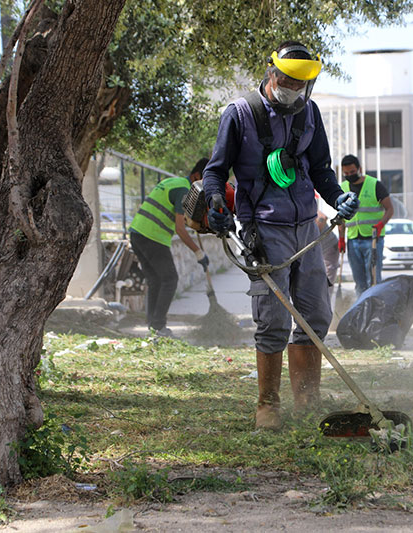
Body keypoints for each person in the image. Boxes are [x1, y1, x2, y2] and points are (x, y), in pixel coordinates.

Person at [203, 41, 359, 430]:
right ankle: (267, 405)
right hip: (263, 230)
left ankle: (307, 400)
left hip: (307, 228)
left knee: (316, 315)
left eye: (301, 85)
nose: (293, 90)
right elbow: (215, 171)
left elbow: (321, 169)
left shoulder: (310, 113)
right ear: (271, 73)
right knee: (273, 319)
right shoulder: (240, 115)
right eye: (287, 82)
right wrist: (215, 203)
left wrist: (339, 197)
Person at [129, 158, 211, 337]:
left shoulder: (173, 182)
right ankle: (159, 327)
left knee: (155, 281)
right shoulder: (183, 190)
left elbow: (183, 221)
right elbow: (180, 230)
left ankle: (153, 325)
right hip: (152, 236)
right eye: (206, 180)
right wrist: (198, 252)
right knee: (170, 279)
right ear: (196, 176)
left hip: (137, 233)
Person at [337, 154, 394, 296]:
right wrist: (341, 239)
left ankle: (374, 312)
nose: (349, 175)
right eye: (346, 173)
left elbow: (390, 209)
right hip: (353, 240)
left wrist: (381, 224)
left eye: (352, 172)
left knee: (373, 280)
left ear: (359, 169)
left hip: (373, 239)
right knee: (359, 282)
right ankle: (361, 312)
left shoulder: (375, 185)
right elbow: (341, 218)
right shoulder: (342, 188)